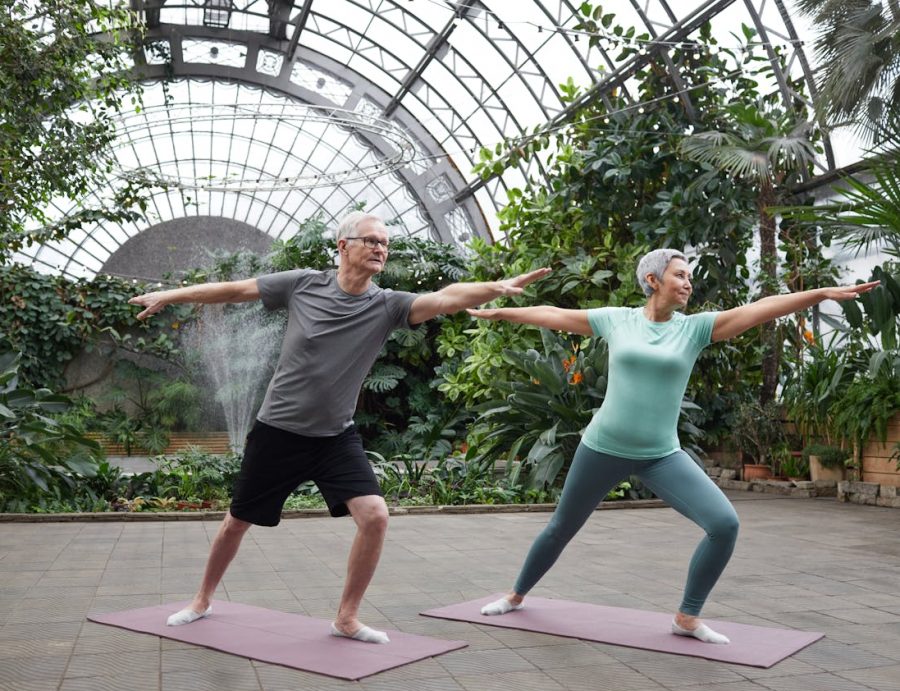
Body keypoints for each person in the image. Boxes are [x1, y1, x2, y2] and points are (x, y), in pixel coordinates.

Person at [129, 211, 550, 644]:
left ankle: (346, 618)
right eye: (371, 240)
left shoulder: (388, 305)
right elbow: (236, 290)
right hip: (278, 432)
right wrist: (173, 295)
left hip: (335, 437)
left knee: (375, 516)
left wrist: (496, 287)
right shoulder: (303, 284)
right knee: (236, 522)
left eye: (385, 243)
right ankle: (201, 600)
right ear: (343, 245)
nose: (380, 248)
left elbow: (445, 298)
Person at [469, 249, 879, 644]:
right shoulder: (617, 320)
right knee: (561, 528)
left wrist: (820, 293)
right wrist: (501, 311)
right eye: (680, 275)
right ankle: (515, 595)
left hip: (660, 455)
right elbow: (553, 315)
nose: (688, 283)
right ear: (652, 280)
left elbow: (761, 308)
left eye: (689, 276)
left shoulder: (694, 329)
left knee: (724, 524)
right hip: (602, 448)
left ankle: (687, 616)